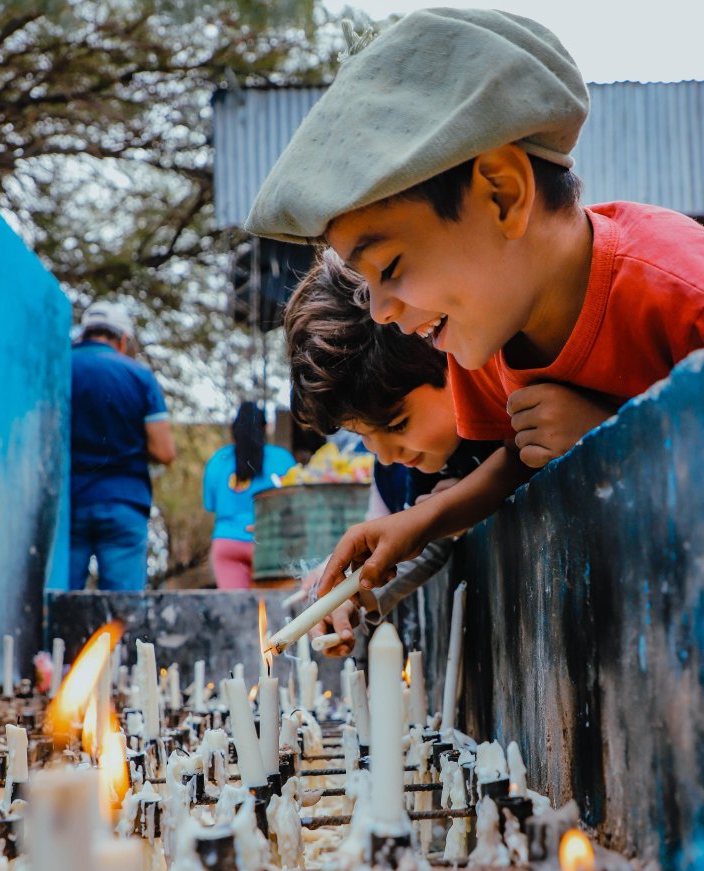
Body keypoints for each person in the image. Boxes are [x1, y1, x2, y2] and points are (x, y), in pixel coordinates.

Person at [245, 8, 704, 598]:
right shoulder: (482, 343)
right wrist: (417, 523)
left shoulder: (679, 289)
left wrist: (614, 440)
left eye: (388, 268)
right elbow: (513, 462)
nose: (382, 312)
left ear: (502, 193)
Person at [285, 249, 499, 654]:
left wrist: (453, 505)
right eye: (363, 436)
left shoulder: (507, 401)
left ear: (445, 345)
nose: (384, 456)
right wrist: (352, 594)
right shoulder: (401, 467)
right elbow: (405, 541)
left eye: (398, 425)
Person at [70, 300, 176, 591]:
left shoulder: (61, 369)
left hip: (70, 501)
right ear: (123, 339)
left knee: (61, 604)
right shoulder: (139, 376)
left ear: (83, 334)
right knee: (123, 609)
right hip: (123, 501)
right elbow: (165, 451)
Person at [203, 402, 294, 589]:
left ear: (234, 429)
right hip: (268, 544)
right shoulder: (281, 458)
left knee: (237, 613)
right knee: (275, 612)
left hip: (226, 543)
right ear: (265, 428)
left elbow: (210, 504)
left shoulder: (218, 460)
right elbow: (294, 504)